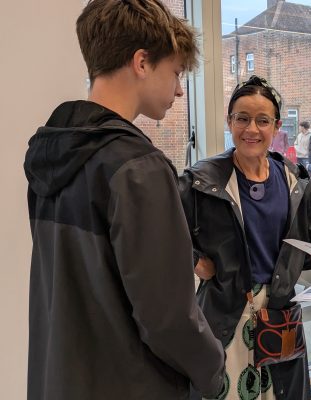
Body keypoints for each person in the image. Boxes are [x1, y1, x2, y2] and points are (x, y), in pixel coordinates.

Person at [24, 1, 225, 399]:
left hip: (59, 380)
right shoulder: (138, 168)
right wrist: (214, 371)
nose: (179, 89)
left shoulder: (50, 154)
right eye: (176, 72)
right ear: (142, 62)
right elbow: (169, 319)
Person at [178, 75, 311, 399]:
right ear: (229, 121)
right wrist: (194, 260)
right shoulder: (202, 180)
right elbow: (161, 231)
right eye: (242, 118)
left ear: (276, 126)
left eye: (262, 120)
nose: (251, 129)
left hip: (279, 321)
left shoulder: (293, 179)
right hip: (225, 318)